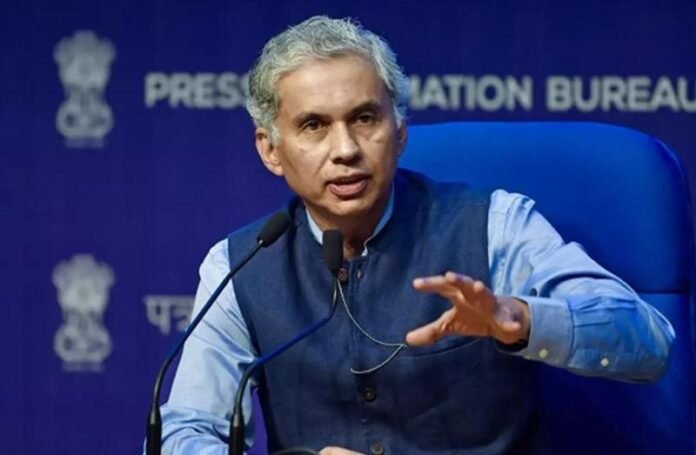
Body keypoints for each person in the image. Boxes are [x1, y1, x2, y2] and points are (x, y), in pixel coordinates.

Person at [159, 16, 674, 454]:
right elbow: (185, 432)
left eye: (364, 118)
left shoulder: (494, 225)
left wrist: (519, 318)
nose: (345, 149)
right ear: (271, 150)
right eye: (314, 126)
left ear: (400, 130)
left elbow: (647, 340)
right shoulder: (242, 264)